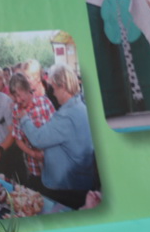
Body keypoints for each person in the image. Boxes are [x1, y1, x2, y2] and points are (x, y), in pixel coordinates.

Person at [18, 65, 96, 210]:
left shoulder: (66, 116)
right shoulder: (82, 107)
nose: (53, 93)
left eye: (54, 88)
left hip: (66, 188)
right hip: (80, 181)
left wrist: (24, 118)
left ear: (63, 87)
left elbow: (37, 139)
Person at [8, 71, 54, 193]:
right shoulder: (16, 110)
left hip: (52, 165)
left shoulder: (44, 103)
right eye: (15, 96)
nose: (18, 100)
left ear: (27, 89)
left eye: (19, 95)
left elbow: (56, 131)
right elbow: (18, 139)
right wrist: (33, 154)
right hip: (34, 168)